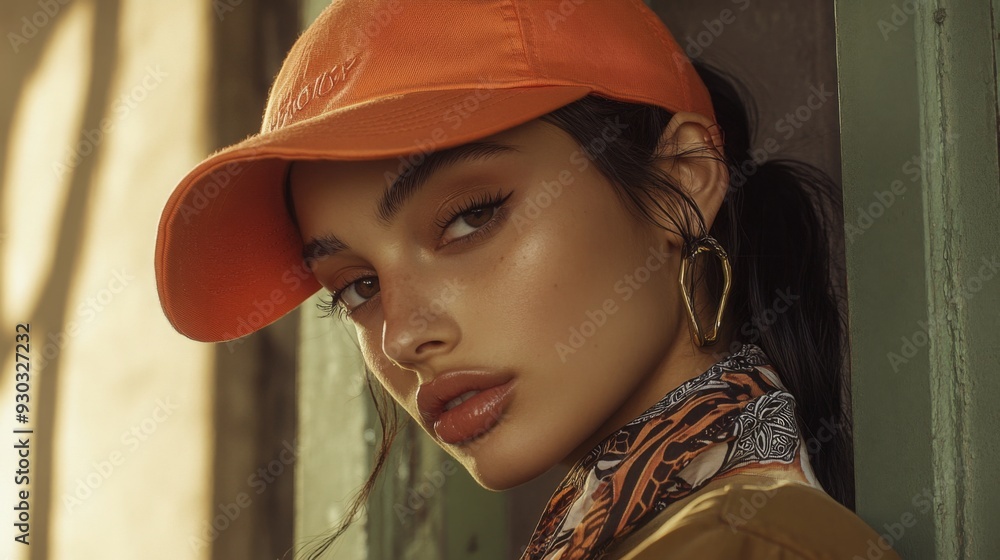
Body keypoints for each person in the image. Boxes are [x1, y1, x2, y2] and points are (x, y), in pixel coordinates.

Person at [155, 1, 905, 558]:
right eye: (356, 286)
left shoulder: (754, 544)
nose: (406, 334)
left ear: (683, 178)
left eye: (470, 217)